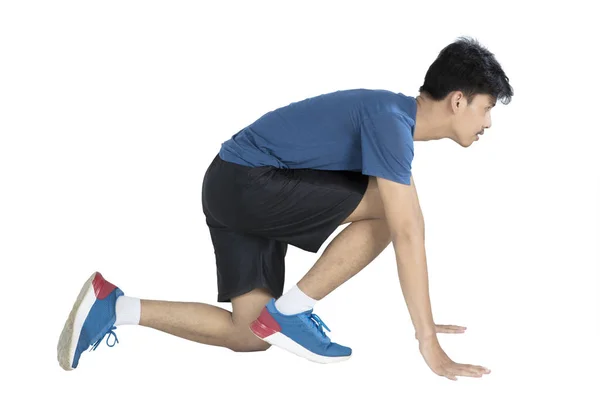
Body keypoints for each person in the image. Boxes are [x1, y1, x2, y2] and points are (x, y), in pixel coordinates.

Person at [57, 36, 513, 380]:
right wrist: (427, 341)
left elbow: (407, 223)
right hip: (245, 182)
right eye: (487, 107)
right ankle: (290, 313)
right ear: (458, 100)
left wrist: (426, 320)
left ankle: (114, 307)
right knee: (394, 215)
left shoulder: (390, 122)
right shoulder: (389, 122)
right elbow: (409, 231)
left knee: (249, 334)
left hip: (233, 184)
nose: (488, 121)